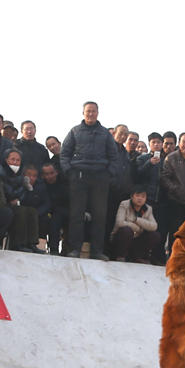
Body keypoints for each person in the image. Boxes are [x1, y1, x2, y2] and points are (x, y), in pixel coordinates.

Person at [60, 101, 121, 260]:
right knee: (76, 215)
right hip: (79, 176)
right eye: (88, 111)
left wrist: (109, 174)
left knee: (100, 216)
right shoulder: (74, 131)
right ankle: (74, 249)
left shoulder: (105, 133)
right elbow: (64, 153)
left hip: (100, 178)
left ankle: (97, 251)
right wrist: (69, 171)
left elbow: (114, 156)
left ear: (98, 113)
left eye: (93, 111)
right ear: (83, 113)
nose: (91, 114)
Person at [110, 186, 161, 264]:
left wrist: (137, 220)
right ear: (132, 196)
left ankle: (137, 257)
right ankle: (120, 256)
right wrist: (137, 228)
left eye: (143, 196)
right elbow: (119, 222)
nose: (140, 198)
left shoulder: (148, 208)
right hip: (120, 239)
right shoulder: (124, 204)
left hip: (136, 240)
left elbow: (154, 226)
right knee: (126, 230)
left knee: (155, 235)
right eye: (137, 196)